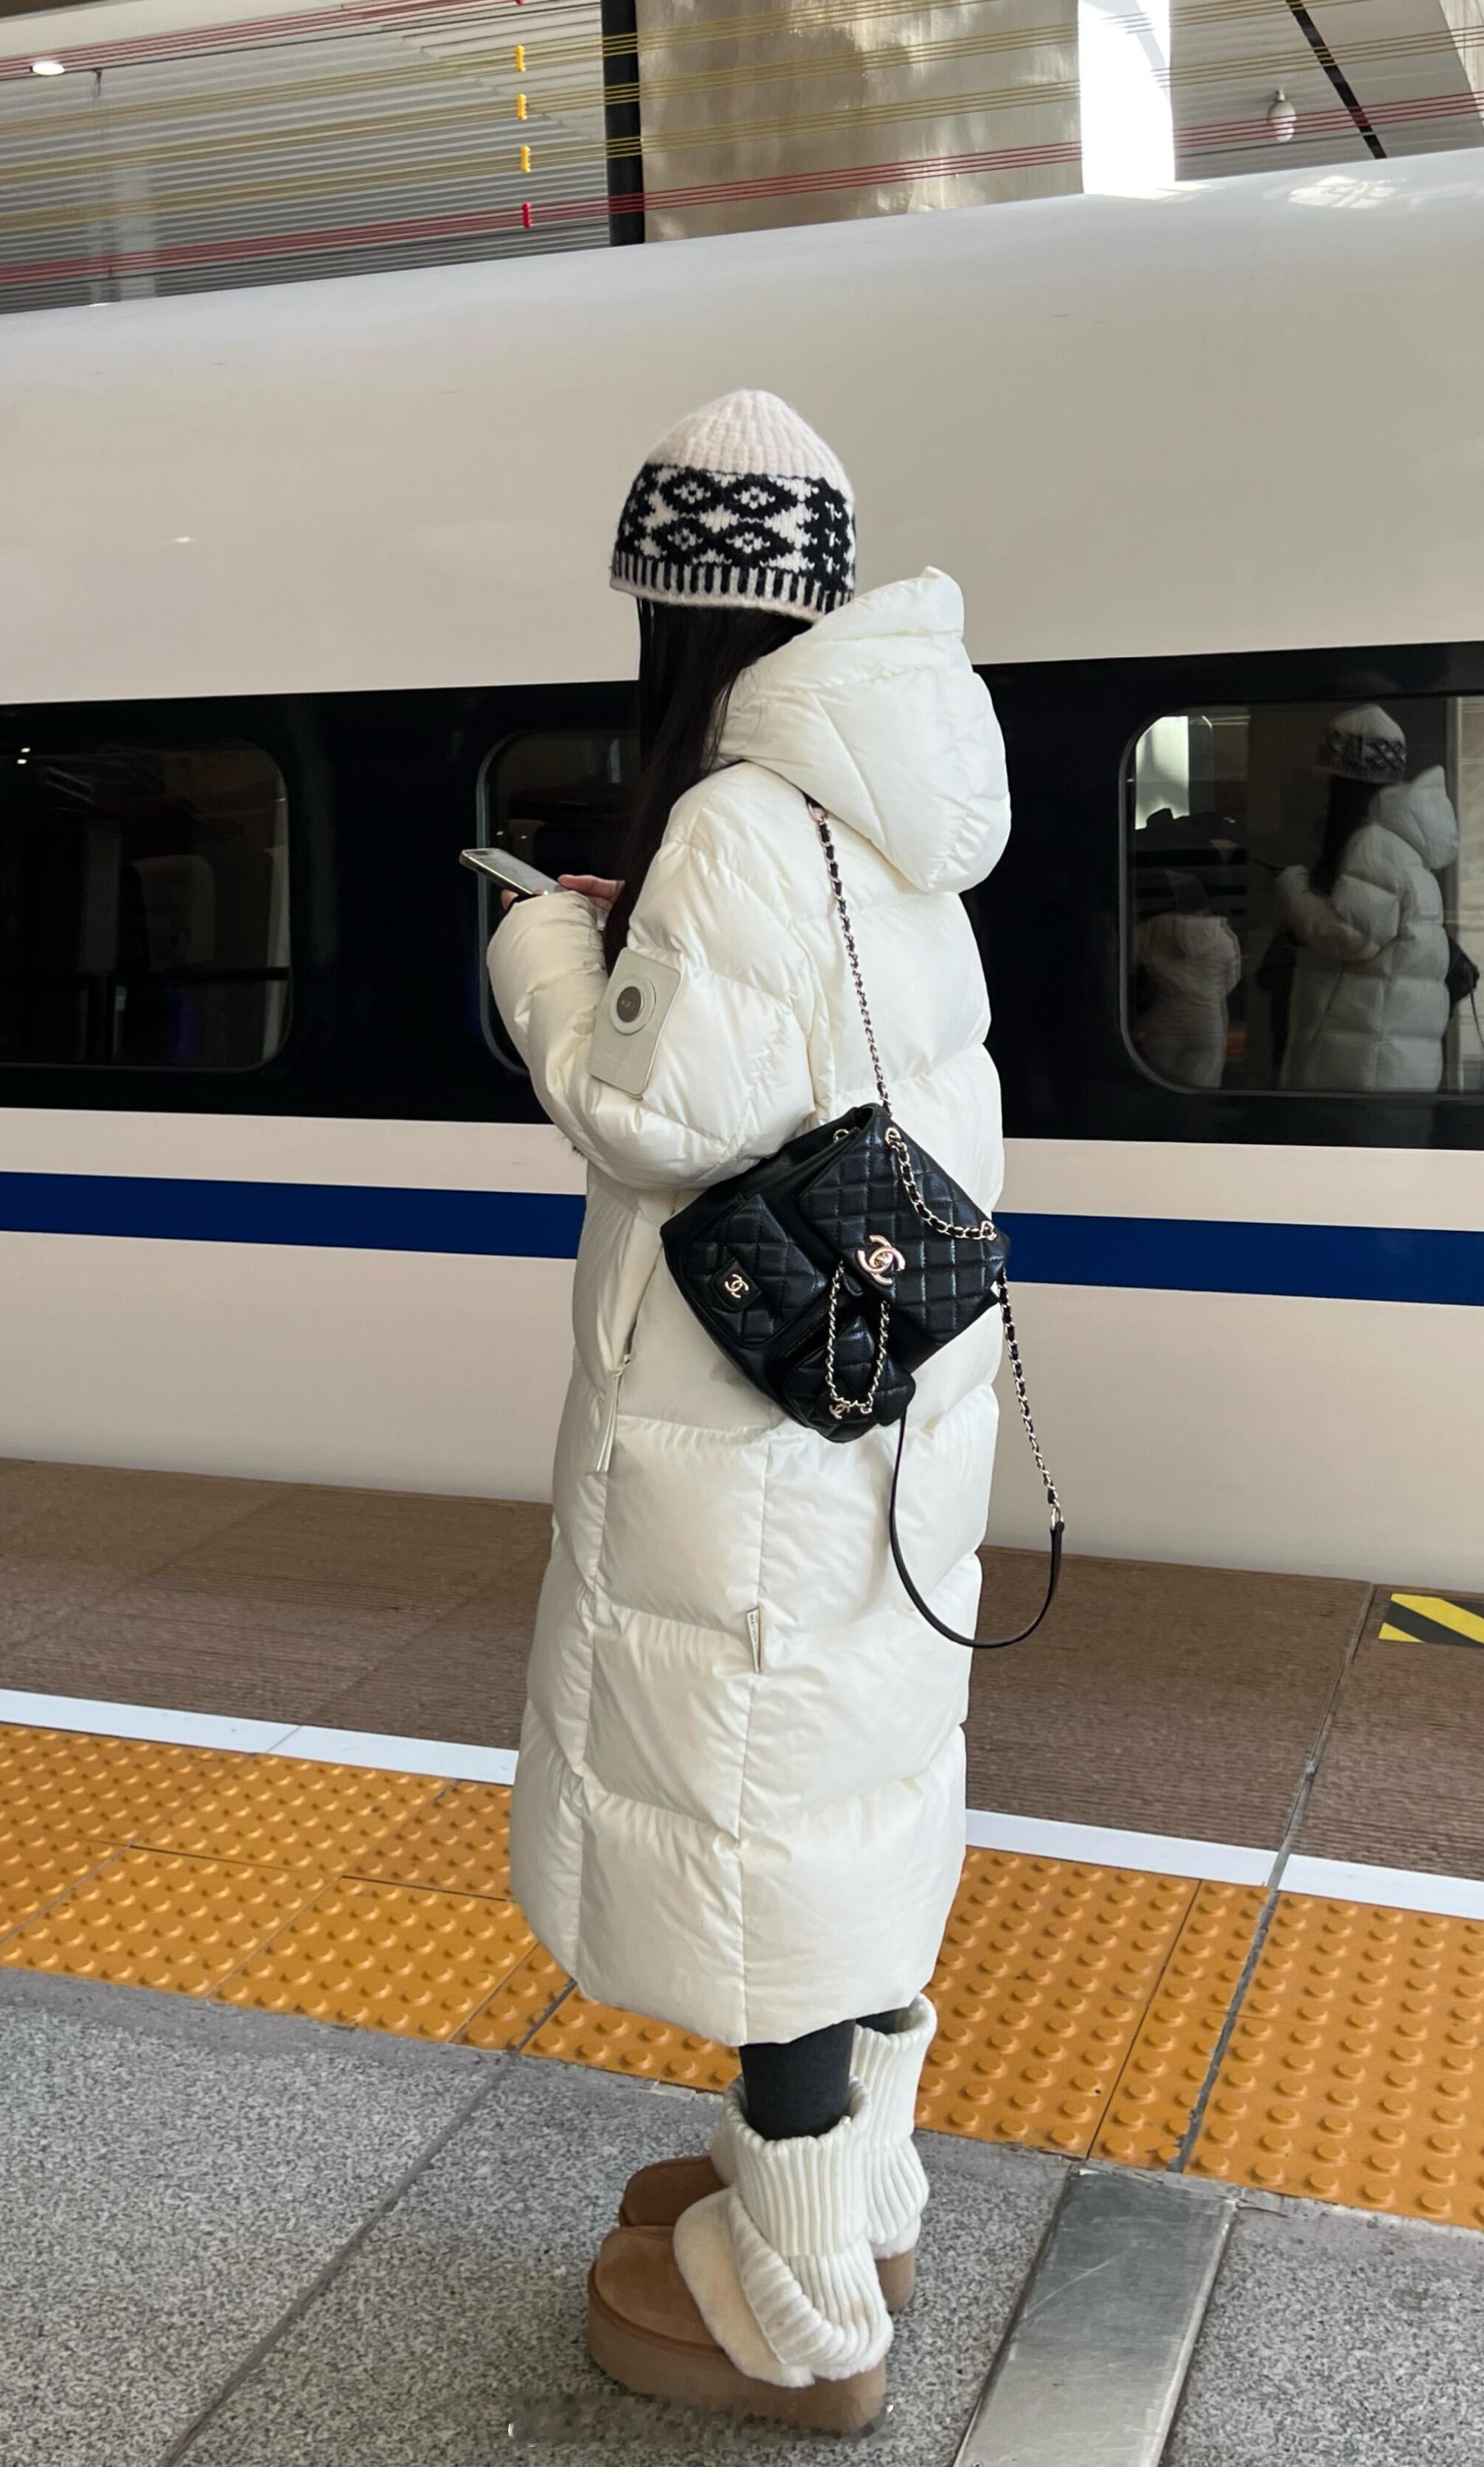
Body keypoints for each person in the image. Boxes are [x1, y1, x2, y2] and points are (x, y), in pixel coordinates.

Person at [485, 390, 1010, 2433]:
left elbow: (644, 1114)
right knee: (845, 1812)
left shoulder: (729, 819)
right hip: (877, 1410)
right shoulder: (883, 806)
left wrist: (545, 950)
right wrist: (648, 941)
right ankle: (854, 2196)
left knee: (762, 1834)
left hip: (753, 1438)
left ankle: (797, 2313)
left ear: (680, 610)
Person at [1276, 704, 1460, 1092]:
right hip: (1387, 1064)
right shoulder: (1401, 845)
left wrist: (1294, 891)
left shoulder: (1373, 845)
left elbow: (1347, 936)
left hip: (1362, 1071)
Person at [1132, 869, 1241, 1088]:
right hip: (1207, 1025)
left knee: (1158, 1094)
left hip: (1164, 1024)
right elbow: (1230, 981)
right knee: (1199, 1095)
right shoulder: (1224, 939)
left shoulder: (1153, 930)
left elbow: (1124, 959)